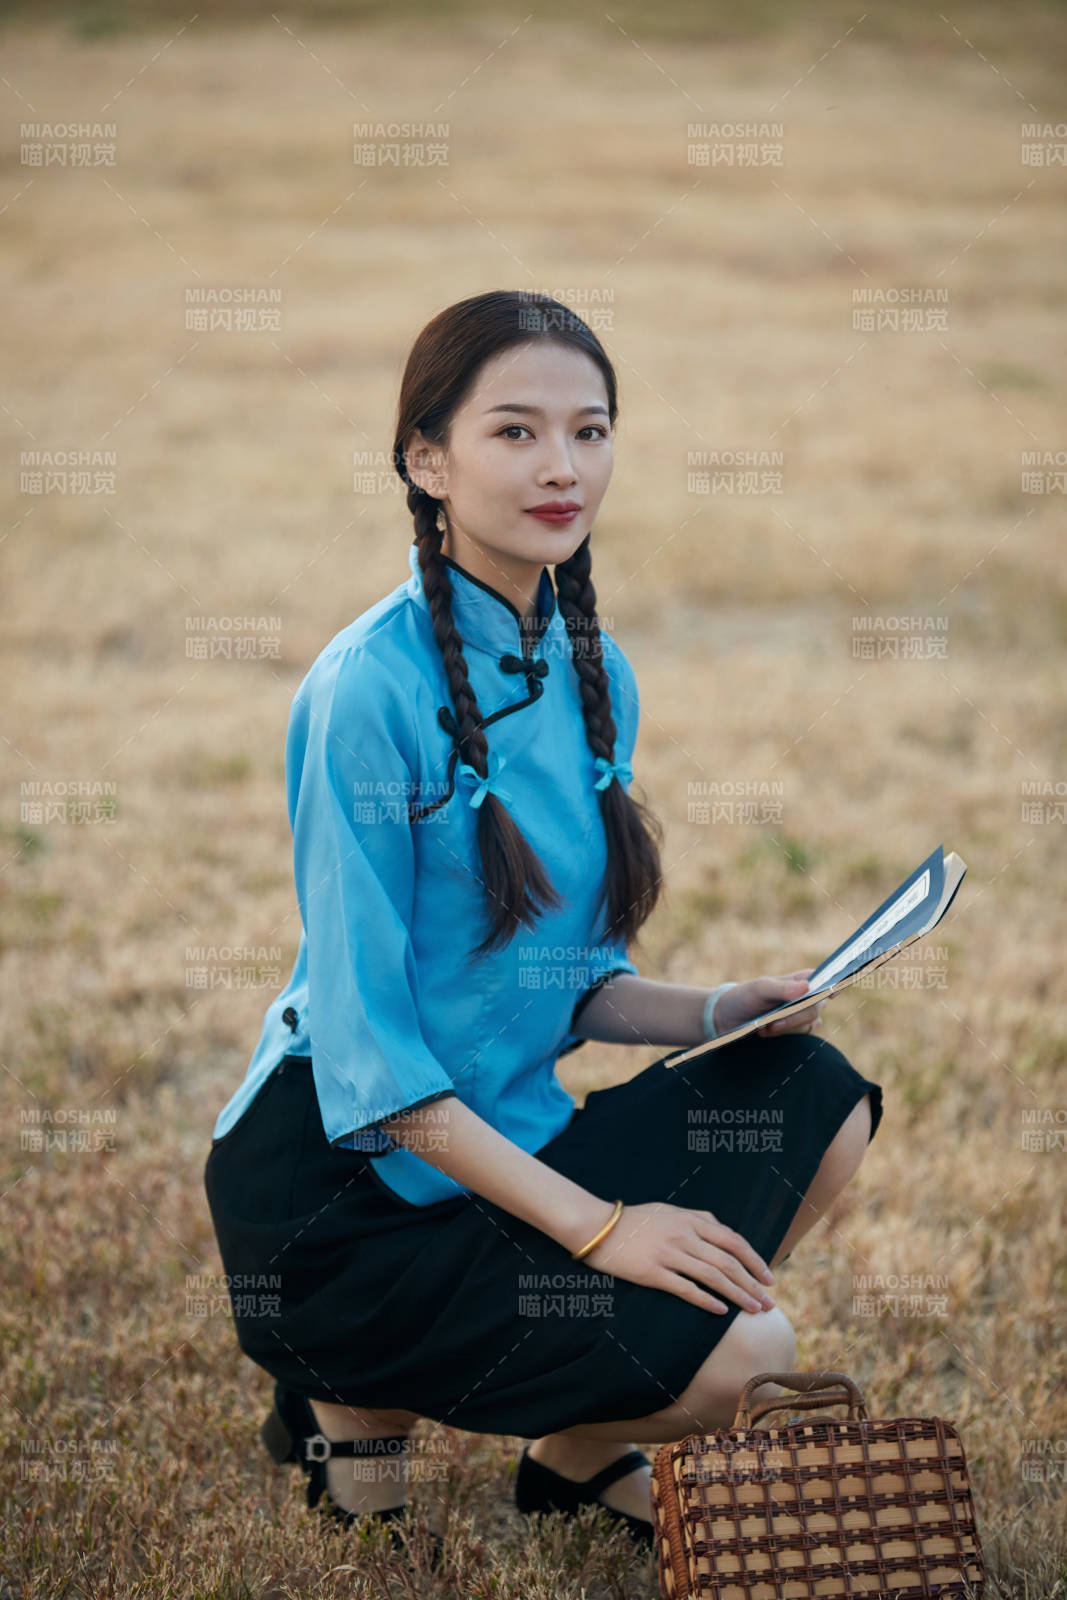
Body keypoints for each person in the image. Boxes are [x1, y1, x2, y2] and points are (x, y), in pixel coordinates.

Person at [203, 289, 883, 1553]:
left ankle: (567, 1464)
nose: (562, 467)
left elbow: (565, 978)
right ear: (427, 459)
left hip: (509, 1142)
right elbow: (372, 1071)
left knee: (816, 1094)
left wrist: (713, 1009)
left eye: (590, 429)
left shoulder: (592, 668)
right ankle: (345, 1395)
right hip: (342, 1196)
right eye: (513, 433)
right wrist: (605, 1231)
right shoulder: (366, 689)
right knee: (750, 1351)